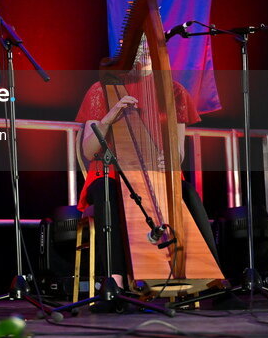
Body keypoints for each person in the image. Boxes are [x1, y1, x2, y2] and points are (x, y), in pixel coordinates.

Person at [76, 69, 218, 305]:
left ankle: (213, 281)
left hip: (157, 178)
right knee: (108, 193)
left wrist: (171, 158)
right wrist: (109, 117)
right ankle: (115, 284)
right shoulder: (101, 90)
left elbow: (179, 151)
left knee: (188, 193)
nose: (143, 49)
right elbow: (89, 151)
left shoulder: (175, 92)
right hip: (109, 174)